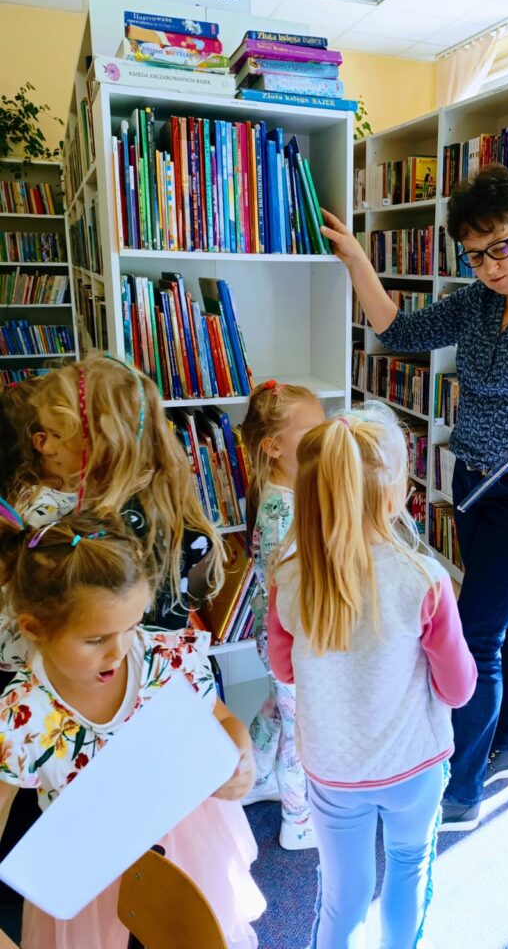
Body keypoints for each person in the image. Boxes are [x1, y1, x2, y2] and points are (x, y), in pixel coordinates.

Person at [321, 163, 508, 831]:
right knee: (507, 617)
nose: (489, 267)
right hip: (474, 481)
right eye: (474, 255)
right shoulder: (480, 300)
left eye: (500, 248)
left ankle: (459, 792)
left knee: (476, 631)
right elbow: (398, 332)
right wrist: (355, 261)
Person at [0, 509, 264, 949]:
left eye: (131, 627)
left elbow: (221, 718)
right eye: (96, 639)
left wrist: (240, 755)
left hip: (185, 848)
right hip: (90, 876)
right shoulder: (21, 716)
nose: (119, 651)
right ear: (35, 628)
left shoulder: (163, 658)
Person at [268, 404, 476, 949]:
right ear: (394, 496)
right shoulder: (423, 578)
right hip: (414, 766)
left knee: (344, 893)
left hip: (333, 770)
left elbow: (284, 668)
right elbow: (459, 688)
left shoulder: (286, 578)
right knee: (409, 871)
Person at [28, 353, 224, 627]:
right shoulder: (162, 498)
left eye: (57, 435)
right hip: (164, 655)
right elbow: (198, 570)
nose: (46, 447)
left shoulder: (110, 524)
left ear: (104, 442)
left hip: (126, 660)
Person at [239, 379, 325, 850]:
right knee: (300, 726)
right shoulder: (279, 509)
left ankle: (252, 778)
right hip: (287, 637)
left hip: (278, 636)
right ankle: (298, 817)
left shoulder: (287, 493)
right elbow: (282, 590)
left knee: (279, 706)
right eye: (311, 432)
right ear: (274, 447)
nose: (323, 438)